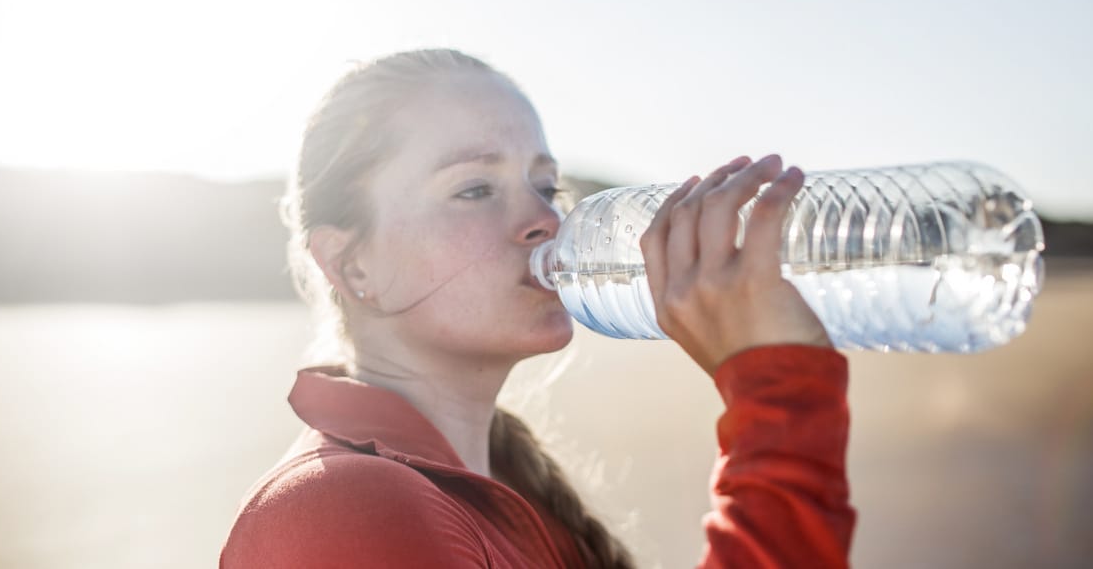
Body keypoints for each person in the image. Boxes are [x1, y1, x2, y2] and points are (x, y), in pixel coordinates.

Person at [219, 49, 856, 568]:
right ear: (353, 265)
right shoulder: (342, 508)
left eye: (546, 187)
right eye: (474, 189)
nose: (546, 219)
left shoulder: (499, 492)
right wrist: (779, 400)